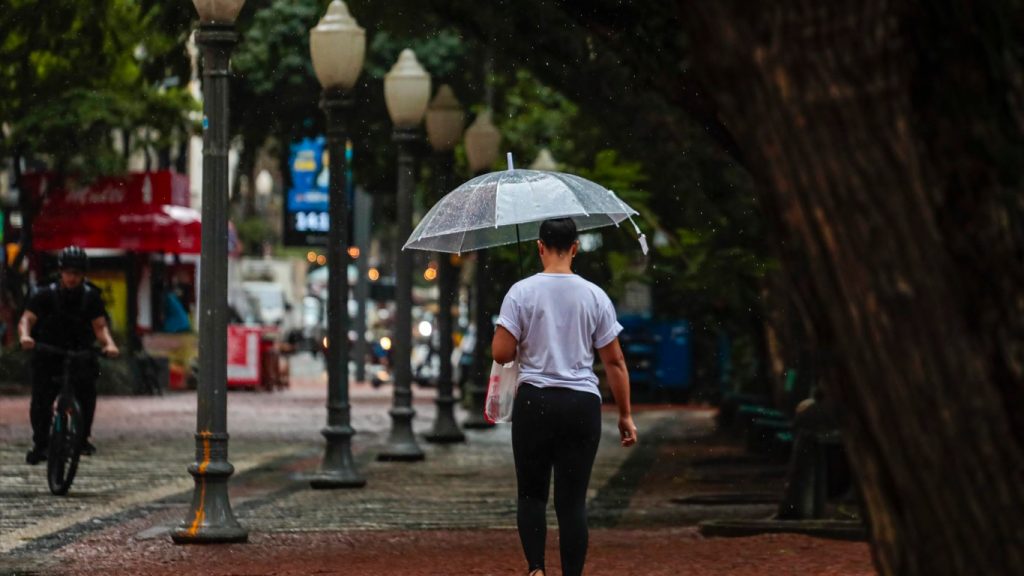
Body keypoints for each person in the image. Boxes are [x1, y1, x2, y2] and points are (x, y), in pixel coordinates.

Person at [491, 218, 638, 576]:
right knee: (572, 503)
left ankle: (536, 569)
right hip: (581, 405)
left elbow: (501, 353)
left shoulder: (520, 293)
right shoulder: (594, 296)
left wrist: (521, 336)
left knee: (531, 495)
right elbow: (615, 361)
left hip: (534, 403)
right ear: (575, 248)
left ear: (539, 247)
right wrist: (625, 415)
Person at [20, 246, 119, 465]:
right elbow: (27, 319)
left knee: (87, 394)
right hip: (48, 352)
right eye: (68, 272)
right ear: (60, 271)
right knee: (41, 400)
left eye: (77, 273)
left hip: (80, 353)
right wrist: (25, 337)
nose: (72, 278)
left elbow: (100, 327)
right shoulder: (44, 293)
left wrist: (109, 345)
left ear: (83, 274)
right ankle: (41, 444)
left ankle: (82, 438)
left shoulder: (91, 296)